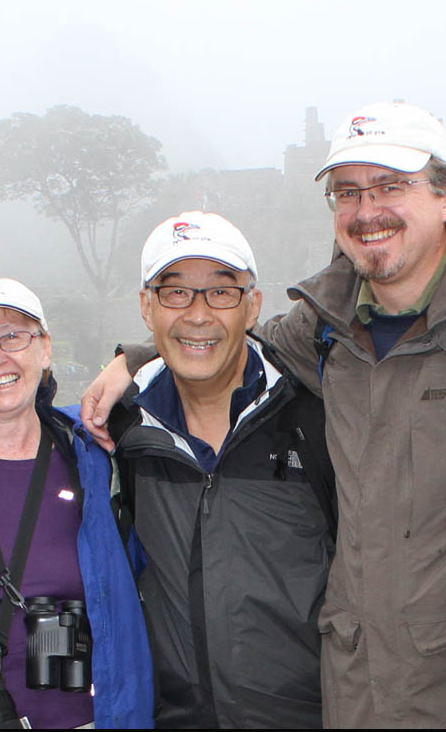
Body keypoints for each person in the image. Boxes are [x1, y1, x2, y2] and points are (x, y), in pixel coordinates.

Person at [81, 102, 446, 727]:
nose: (367, 211)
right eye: (348, 192)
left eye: (391, 186)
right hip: (349, 691)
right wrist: (136, 359)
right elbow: (225, 338)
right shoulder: (322, 329)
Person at [103, 211, 335, 728]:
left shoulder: (315, 417)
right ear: (147, 306)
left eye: (221, 293)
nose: (198, 315)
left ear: (253, 304)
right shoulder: (121, 433)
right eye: (176, 292)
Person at [0, 277, 153, 729]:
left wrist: (127, 361)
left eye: (14, 336)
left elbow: (198, 349)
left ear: (46, 349)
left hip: (88, 717)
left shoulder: (92, 450)